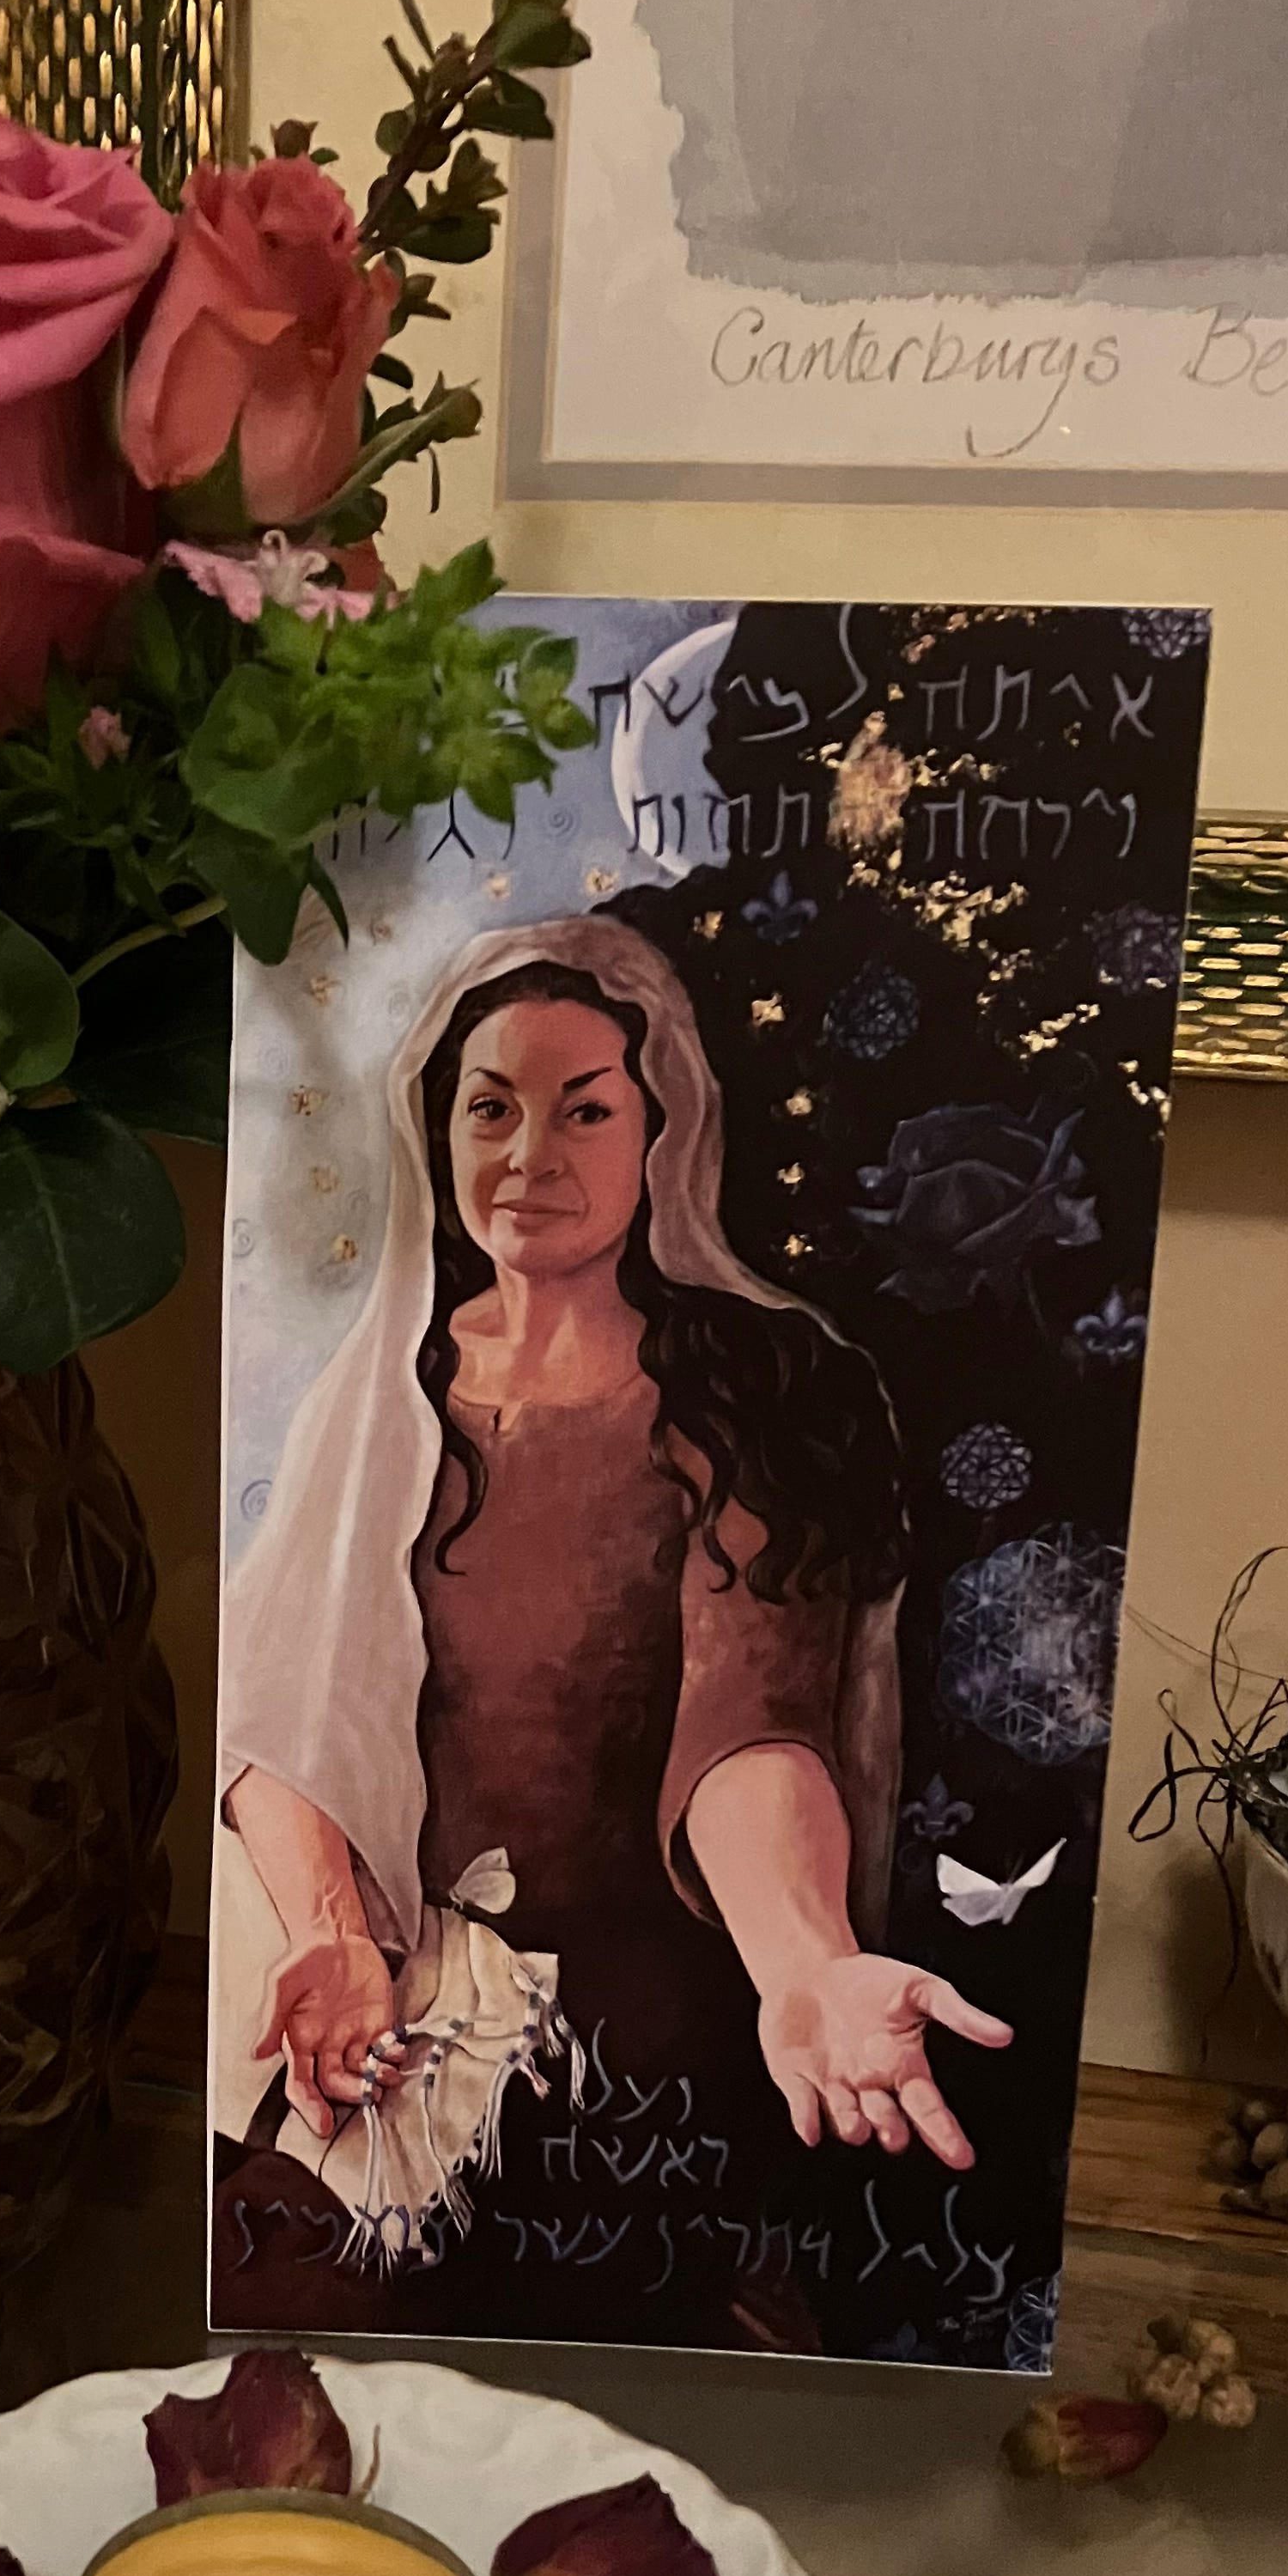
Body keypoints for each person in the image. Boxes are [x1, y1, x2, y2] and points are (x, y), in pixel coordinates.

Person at [212, 916, 1010, 2348]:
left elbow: (750, 1726)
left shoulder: (756, 1388)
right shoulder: (380, 1394)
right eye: (492, 1110)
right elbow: (282, 1715)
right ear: (438, 1134)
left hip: (638, 2075)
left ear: (664, 1134)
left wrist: (805, 1960)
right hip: (391, 2042)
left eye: (584, 1111)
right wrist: (333, 1934)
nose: (531, 1156)